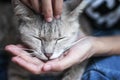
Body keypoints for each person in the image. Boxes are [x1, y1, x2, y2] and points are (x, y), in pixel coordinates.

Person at [5, 0, 120, 80]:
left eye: (60, 39)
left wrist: (95, 46)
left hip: (110, 36)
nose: (48, 52)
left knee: (95, 74)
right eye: (38, 39)